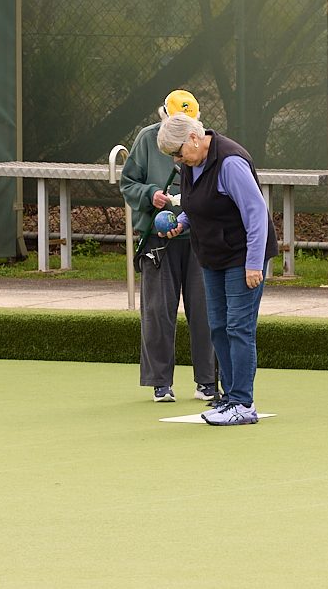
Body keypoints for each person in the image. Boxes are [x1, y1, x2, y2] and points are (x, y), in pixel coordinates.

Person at [156, 113, 276, 426]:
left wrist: (254, 263)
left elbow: (255, 213)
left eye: (179, 152)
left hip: (242, 255)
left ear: (194, 138)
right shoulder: (190, 164)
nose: (178, 159)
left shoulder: (230, 162)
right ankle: (227, 399)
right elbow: (198, 207)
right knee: (219, 327)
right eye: (174, 156)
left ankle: (243, 403)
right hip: (212, 256)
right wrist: (180, 222)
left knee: (239, 327)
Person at [121, 90, 219, 404]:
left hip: (198, 239)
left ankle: (208, 382)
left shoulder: (202, 141)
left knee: (205, 312)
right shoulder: (146, 139)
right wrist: (150, 194)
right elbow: (128, 182)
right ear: (164, 116)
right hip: (156, 240)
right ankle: (160, 383)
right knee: (157, 312)